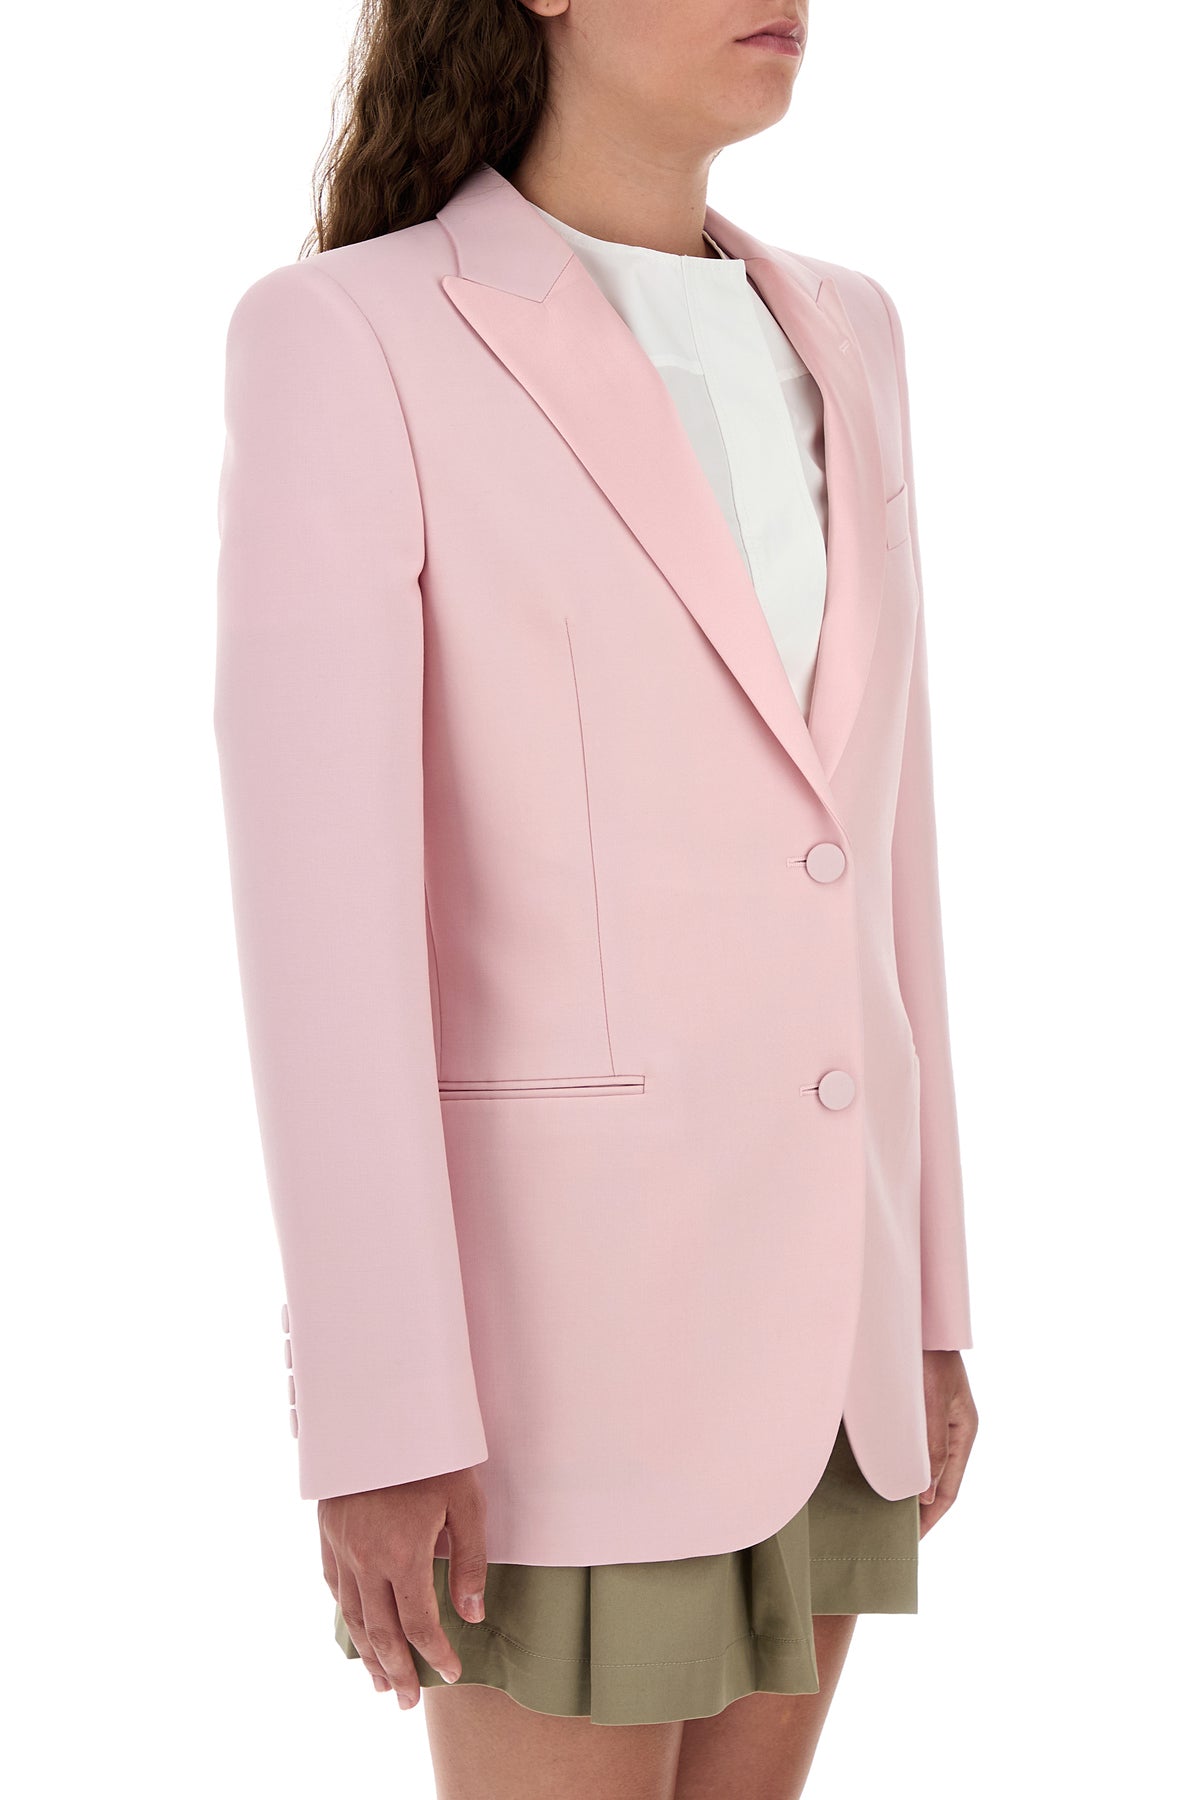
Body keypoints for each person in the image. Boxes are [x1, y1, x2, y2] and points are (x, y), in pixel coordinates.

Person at [213, 2, 979, 1794]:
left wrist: (928, 1301)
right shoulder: (353, 337)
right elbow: (321, 928)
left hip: (837, 1339)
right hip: (555, 1362)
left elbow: (887, 856)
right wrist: (381, 1410)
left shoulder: (852, 331)